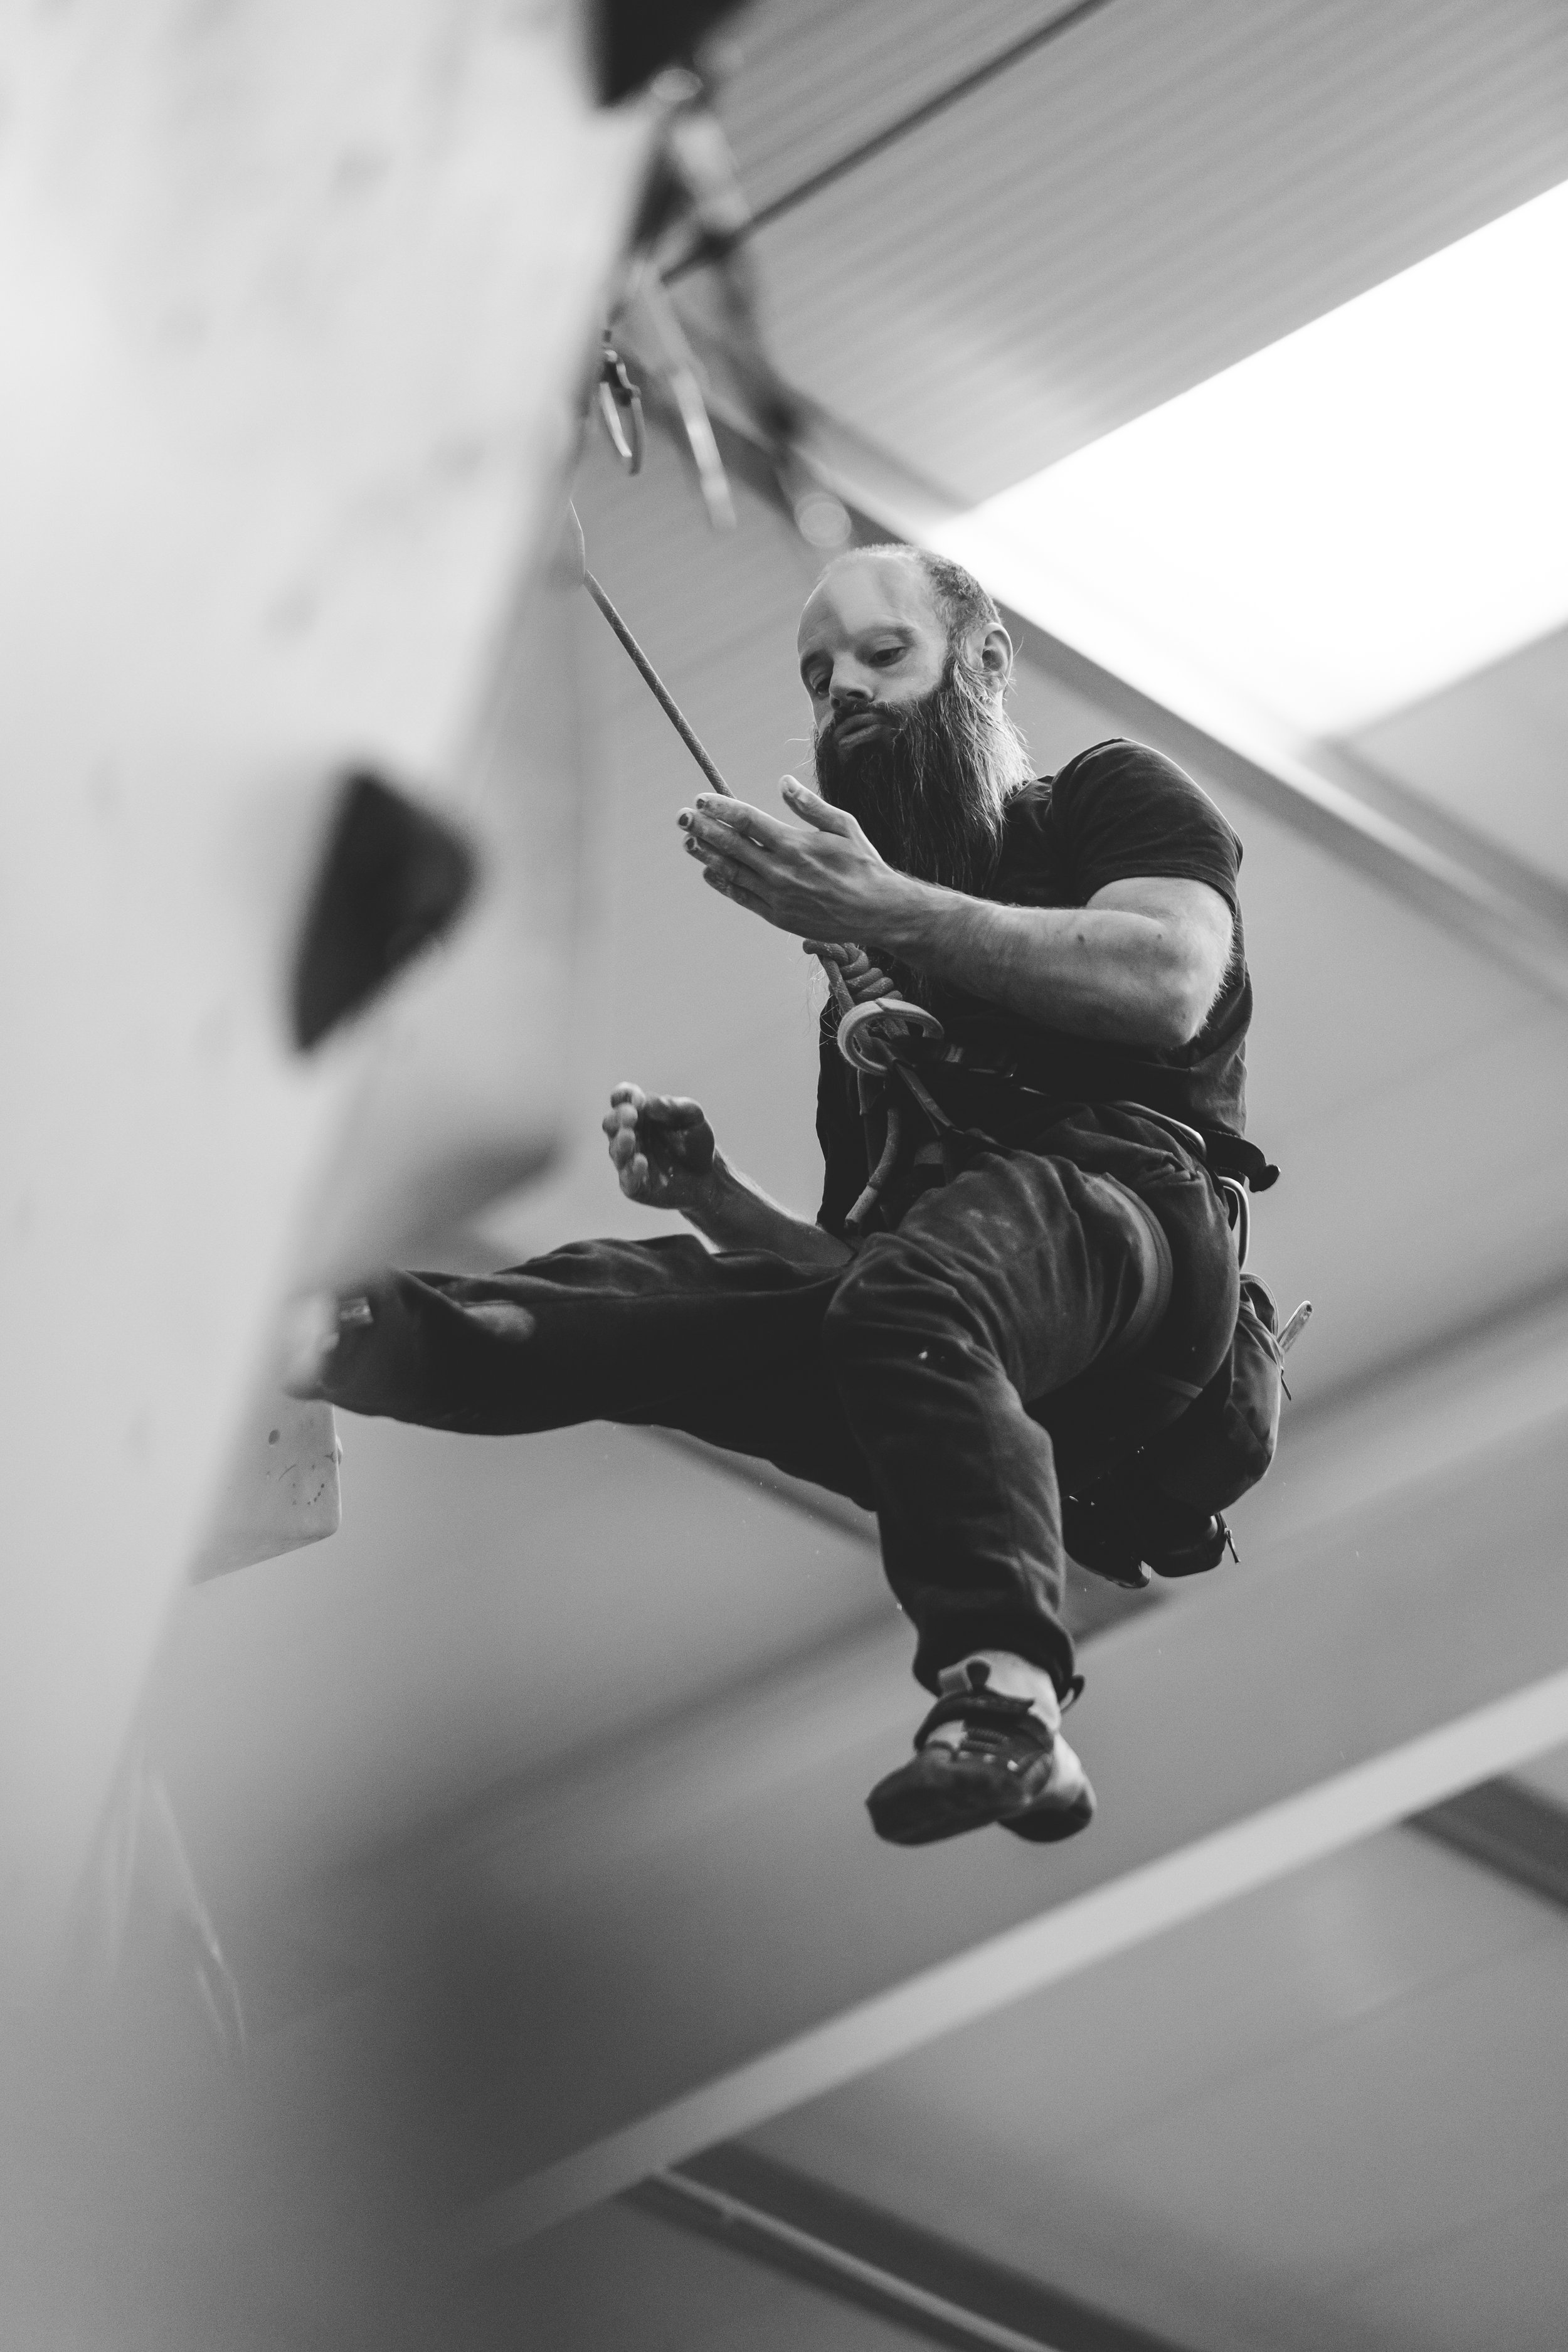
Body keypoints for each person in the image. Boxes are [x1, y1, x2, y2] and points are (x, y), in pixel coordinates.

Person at [302, 544, 1263, 1848]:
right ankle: (330, 1335)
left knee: (923, 1289)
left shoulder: (1099, 801)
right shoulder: (862, 1004)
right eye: (817, 678)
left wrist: (891, 910)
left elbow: (1167, 982)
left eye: (882, 654)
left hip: (1130, 1243)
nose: (843, 692)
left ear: (984, 663)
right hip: (951, 1342)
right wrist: (714, 1201)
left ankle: (1008, 1697)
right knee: (624, 1304)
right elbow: (847, 1277)